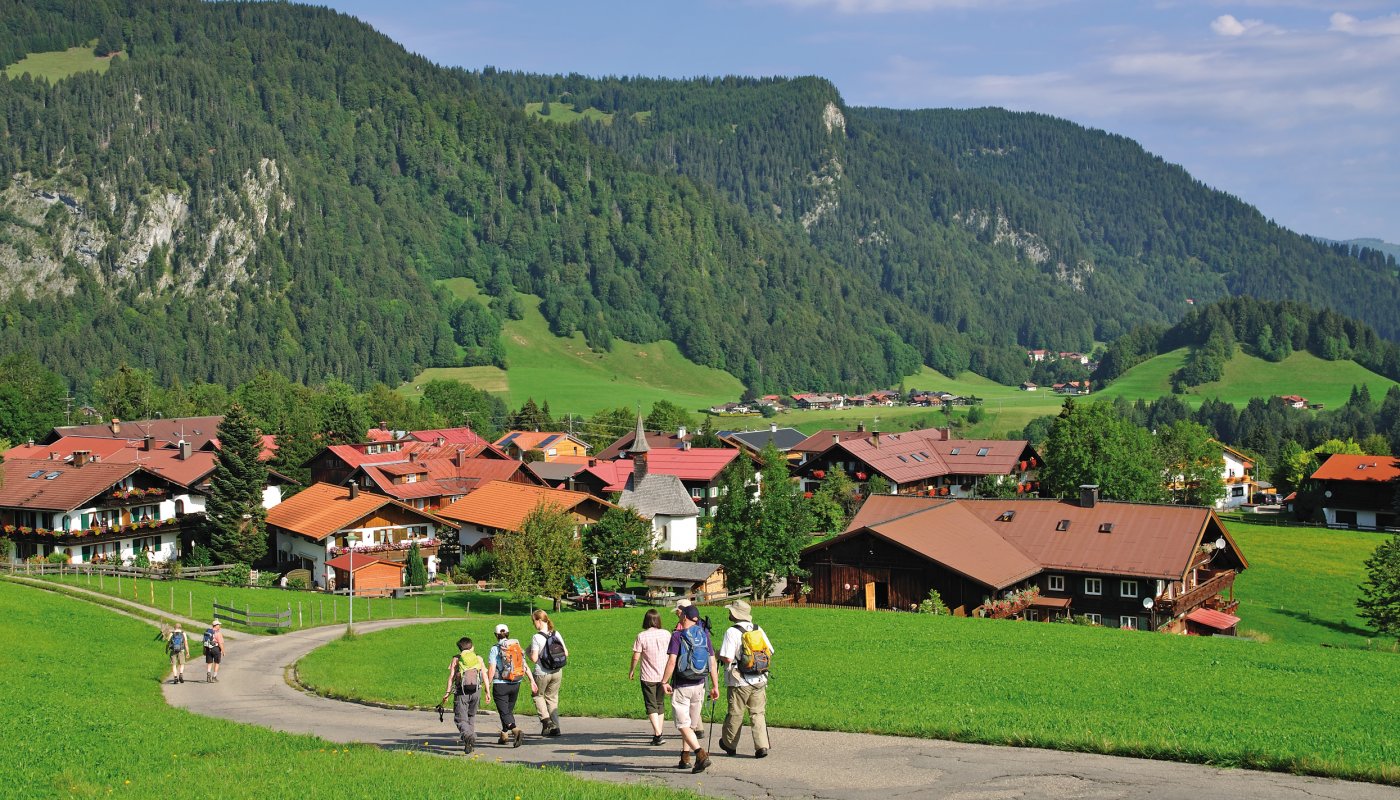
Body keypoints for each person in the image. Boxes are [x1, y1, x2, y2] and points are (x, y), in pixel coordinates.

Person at [662, 604, 720, 773]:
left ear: (685, 617)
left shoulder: (677, 636)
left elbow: (672, 661)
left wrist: (664, 681)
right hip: (699, 685)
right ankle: (685, 757)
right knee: (691, 725)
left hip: (682, 686)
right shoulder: (704, 634)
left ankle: (700, 754)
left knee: (682, 724)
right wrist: (715, 686)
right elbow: (712, 662)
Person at [717, 599, 773, 758]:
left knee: (736, 713)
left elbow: (728, 658)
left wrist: (717, 654)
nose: (729, 613)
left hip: (739, 680)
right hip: (759, 678)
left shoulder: (732, 631)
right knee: (758, 713)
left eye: (730, 611)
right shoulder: (757, 629)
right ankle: (762, 746)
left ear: (735, 614)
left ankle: (729, 744)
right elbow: (770, 651)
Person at [486, 623, 537, 747]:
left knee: (504, 712)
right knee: (507, 711)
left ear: (496, 635)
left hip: (500, 684)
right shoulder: (516, 646)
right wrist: (532, 680)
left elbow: (492, 669)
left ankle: (515, 730)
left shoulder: (495, 649)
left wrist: (488, 685)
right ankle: (504, 734)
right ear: (508, 634)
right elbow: (524, 665)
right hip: (516, 682)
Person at [629, 608, 671, 746]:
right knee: (660, 703)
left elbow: (636, 656)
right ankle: (659, 732)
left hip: (648, 676)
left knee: (650, 705)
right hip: (664, 675)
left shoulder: (642, 636)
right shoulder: (666, 634)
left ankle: (658, 734)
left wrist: (632, 670)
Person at [441, 636, 490, 753]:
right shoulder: (478, 658)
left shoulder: (456, 659)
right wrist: (487, 691)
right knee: (471, 716)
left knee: (460, 718)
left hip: (461, 691)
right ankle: (470, 743)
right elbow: (484, 675)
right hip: (476, 691)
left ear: (460, 649)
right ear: (472, 646)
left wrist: (447, 693)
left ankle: (468, 736)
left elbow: (451, 677)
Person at [527, 609, 568, 736]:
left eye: (534, 621)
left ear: (539, 621)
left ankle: (546, 720)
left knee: (537, 695)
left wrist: (528, 653)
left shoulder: (536, 637)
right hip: (557, 671)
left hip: (542, 672)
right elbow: (566, 653)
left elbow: (534, 658)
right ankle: (556, 727)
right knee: (552, 698)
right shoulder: (556, 633)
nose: (533, 624)